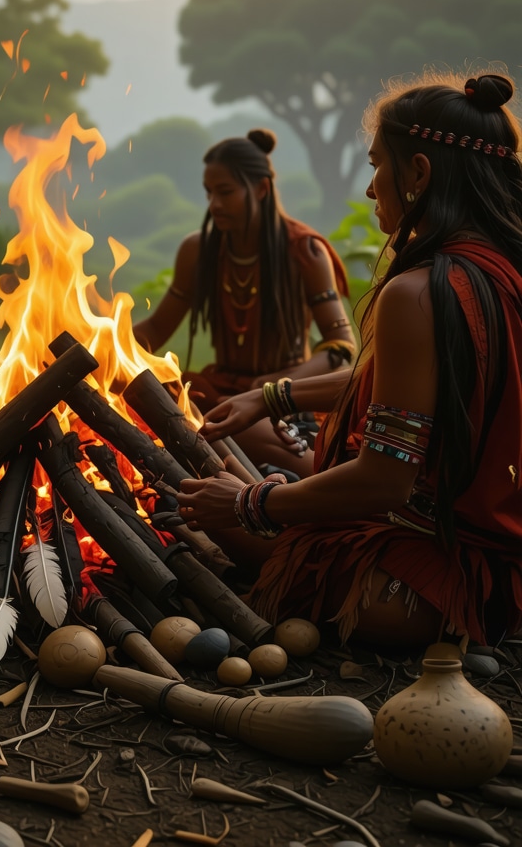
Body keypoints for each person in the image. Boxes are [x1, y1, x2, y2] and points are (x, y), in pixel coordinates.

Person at [179, 73, 522, 648]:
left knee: (193, 498)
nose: (369, 188)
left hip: (435, 586)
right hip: (503, 570)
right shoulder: (502, 268)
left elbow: (385, 482)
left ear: (418, 173)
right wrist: (270, 396)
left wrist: (249, 503)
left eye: (376, 165)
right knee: (232, 457)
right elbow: (399, 385)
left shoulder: (417, 291)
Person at [133, 129, 355, 475]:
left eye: (225, 192)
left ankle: (320, 475)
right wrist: (105, 347)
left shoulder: (306, 251)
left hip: (287, 394)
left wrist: (272, 389)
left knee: (221, 423)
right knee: (165, 398)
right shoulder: (197, 251)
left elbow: (341, 347)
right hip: (218, 391)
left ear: (262, 189)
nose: (214, 204)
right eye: (209, 193)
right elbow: (157, 328)